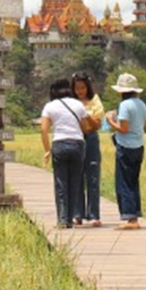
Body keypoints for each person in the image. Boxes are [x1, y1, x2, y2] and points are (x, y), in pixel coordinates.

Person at [40, 78, 88, 229]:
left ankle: (62, 220)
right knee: (74, 183)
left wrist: (47, 150)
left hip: (59, 144)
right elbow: (85, 127)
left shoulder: (49, 106)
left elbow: (43, 129)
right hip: (77, 144)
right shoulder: (78, 104)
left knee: (61, 183)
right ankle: (70, 219)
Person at [105, 72, 146, 230]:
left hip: (125, 147)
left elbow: (123, 129)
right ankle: (135, 214)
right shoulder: (142, 104)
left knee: (124, 182)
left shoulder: (125, 105)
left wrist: (110, 120)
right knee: (133, 181)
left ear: (121, 91)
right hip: (139, 146)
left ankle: (130, 219)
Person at [71, 73, 104, 227]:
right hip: (76, 139)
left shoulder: (94, 100)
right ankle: (77, 214)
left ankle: (94, 215)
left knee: (93, 176)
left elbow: (97, 124)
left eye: (83, 87)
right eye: (77, 88)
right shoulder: (70, 102)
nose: (80, 91)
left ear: (88, 87)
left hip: (90, 138)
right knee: (77, 176)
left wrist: (84, 115)